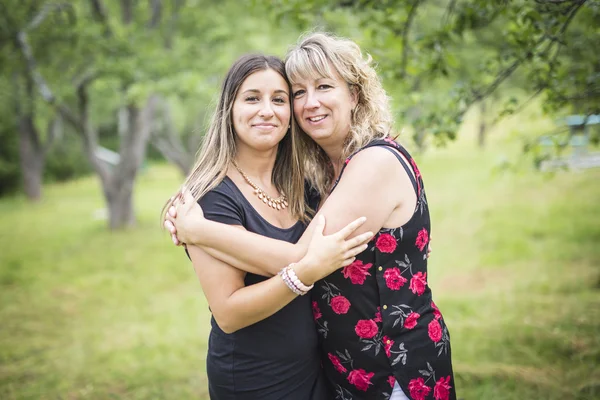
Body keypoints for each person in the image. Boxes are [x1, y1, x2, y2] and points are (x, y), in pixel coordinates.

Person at [167, 33, 457, 400]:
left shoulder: (374, 163)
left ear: (354, 94)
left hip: (393, 368)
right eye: (299, 92)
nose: (311, 102)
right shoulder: (320, 175)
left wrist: (198, 231)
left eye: (323, 87)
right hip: (337, 371)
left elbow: (302, 258)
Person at [163, 53, 374, 400]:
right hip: (255, 379)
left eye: (279, 99)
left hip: (314, 368)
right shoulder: (211, 200)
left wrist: (201, 234)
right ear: (229, 110)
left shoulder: (303, 186)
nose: (267, 110)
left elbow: (307, 254)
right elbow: (229, 313)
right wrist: (303, 275)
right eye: (251, 98)